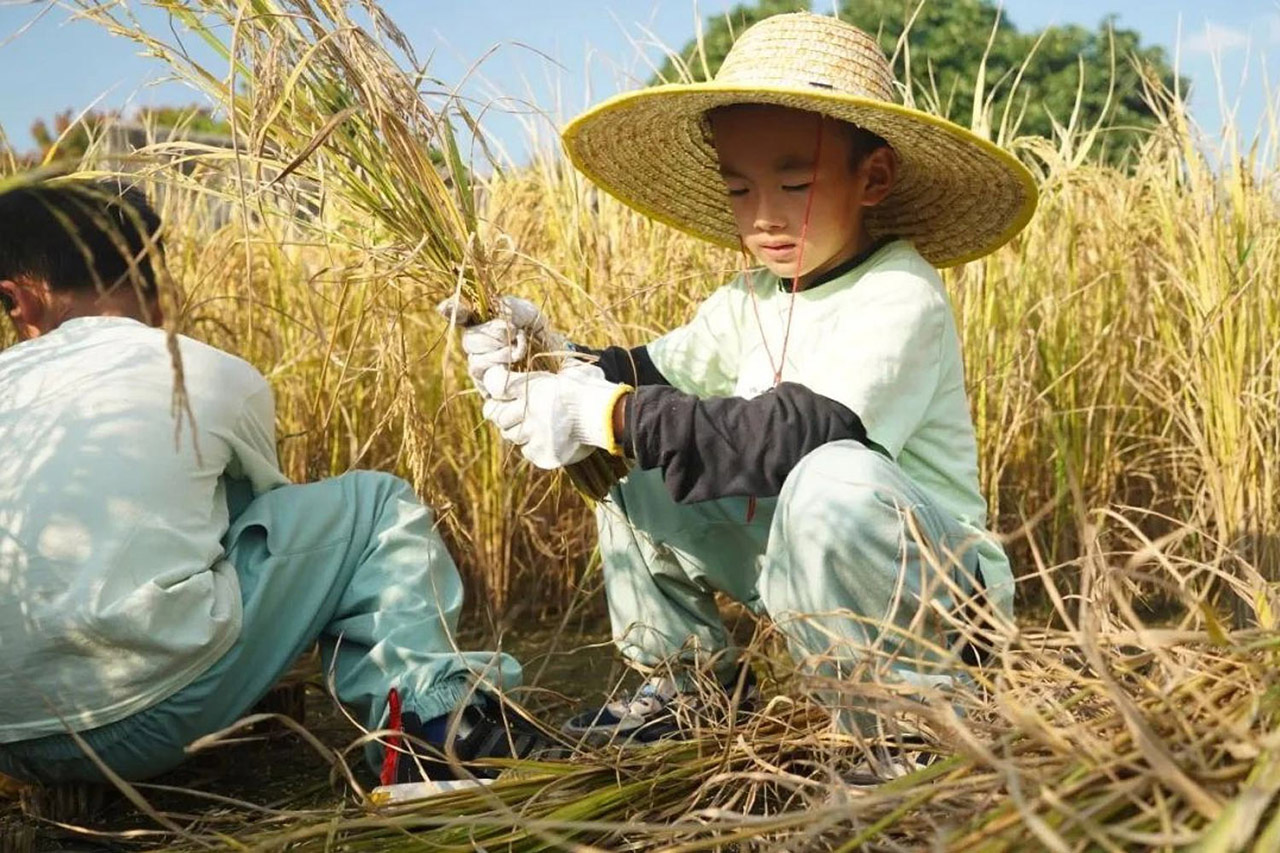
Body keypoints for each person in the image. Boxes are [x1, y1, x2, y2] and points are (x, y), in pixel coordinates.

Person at [463, 12, 1037, 745]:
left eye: (794, 183)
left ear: (875, 177)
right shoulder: (750, 300)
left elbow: (798, 433)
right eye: (739, 190)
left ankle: (909, 719)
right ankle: (691, 686)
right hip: (814, 574)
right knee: (627, 464)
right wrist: (545, 356)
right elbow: (646, 373)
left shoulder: (903, 293)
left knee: (830, 473)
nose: (763, 218)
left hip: (936, 603)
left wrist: (604, 410)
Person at [0, 179, 544, 788]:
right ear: (153, 279)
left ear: (18, 301)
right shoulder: (207, 373)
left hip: (8, 739)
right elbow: (268, 518)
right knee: (371, 508)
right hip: (142, 719)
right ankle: (428, 730)